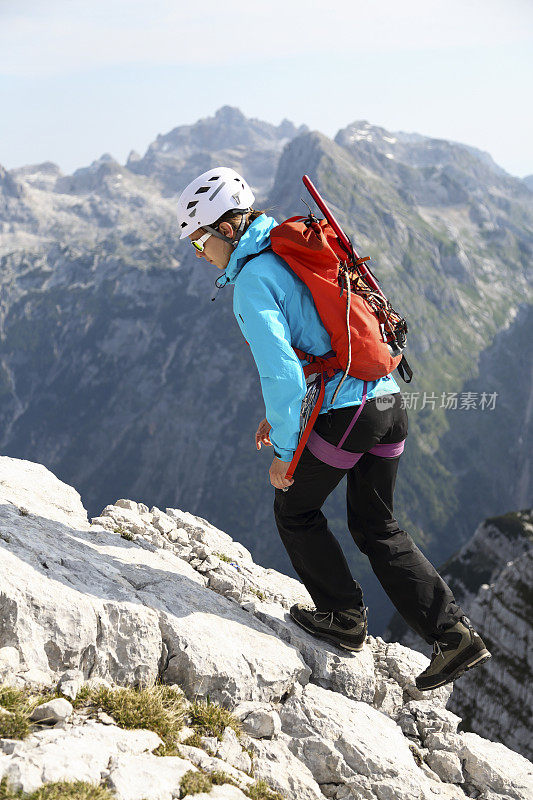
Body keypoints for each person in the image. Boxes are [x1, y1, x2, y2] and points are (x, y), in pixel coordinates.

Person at [177, 166, 491, 691]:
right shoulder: (294, 249)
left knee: (294, 507)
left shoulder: (253, 281)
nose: (198, 254)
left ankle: (344, 618)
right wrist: (290, 414)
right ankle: (454, 636)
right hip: (387, 398)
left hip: (350, 413)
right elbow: (319, 341)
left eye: (198, 241)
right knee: (376, 526)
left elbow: (279, 371)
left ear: (227, 228)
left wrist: (284, 450)